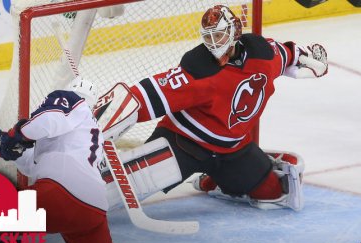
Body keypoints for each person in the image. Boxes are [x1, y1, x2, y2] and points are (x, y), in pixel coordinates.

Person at [114, 4, 328, 211]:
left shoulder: (263, 54)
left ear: (234, 33)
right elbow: (144, 97)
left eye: (218, 35)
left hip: (232, 150)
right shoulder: (197, 68)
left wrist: (311, 60)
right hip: (184, 144)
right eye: (208, 37)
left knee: (274, 192)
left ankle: (215, 180)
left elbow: (290, 54)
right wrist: (100, 122)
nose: (214, 43)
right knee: (115, 190)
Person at [0, 76, 140, 243]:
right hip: (92, 211)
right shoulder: (89, 133)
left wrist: (14, 135)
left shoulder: (70, 100)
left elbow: (47, 120)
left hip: (63, 193)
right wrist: (2, 148)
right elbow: (38, 166)